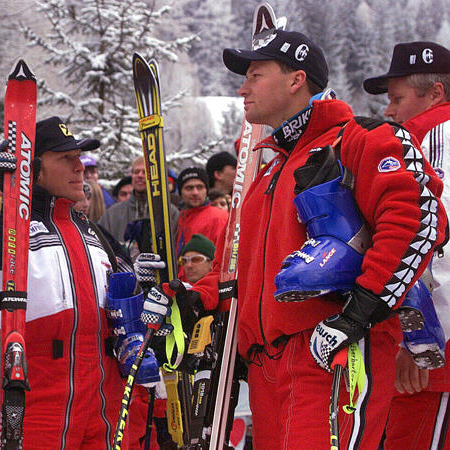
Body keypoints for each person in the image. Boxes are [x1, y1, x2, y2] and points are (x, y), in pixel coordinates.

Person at [177, 30, 447, 448]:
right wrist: (200, 296)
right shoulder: (267, 172)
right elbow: (244, 267)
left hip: (332, 357)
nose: (242, 88)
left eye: (254, 74)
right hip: (267, 365)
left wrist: (360, 311)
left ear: (295, 79)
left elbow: (418, 221)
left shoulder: (357, 138)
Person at [0, 116, 159, 448]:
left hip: (103, 410)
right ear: (35, 169)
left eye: (80, 158)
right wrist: (13, 185)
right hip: (37, 409)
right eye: (67, 159)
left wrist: (150, 292)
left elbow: (125, 308)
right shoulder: (5, 234)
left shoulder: (93, 232)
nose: (80, 167)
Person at [363, 41, 450, 450]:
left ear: (435, 93)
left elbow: (432, 242)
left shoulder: (431, 136)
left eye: (397, 98)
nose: (389, 111)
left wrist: (416, 340)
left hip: (436, 354)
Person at [98, 156, 179, 253]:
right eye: (136, 172)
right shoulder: (112, 214)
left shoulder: (170, 212)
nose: (140, 175)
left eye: (145, 172)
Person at [174, 166, 228, 271]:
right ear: (180, 192)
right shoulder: (179, 218)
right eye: (189, 188)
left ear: (206, 190)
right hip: (182, 283)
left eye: (200, 187)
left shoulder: (219, 217)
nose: (195, 193)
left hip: (205, 284)